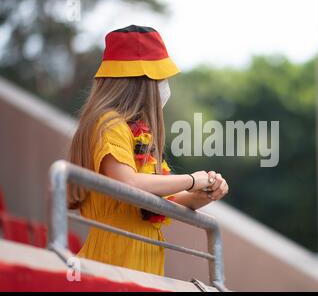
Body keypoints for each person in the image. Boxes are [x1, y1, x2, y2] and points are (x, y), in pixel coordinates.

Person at [67, 25, 229, 275]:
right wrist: (190, 180)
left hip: (145, 258)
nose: (165, 86)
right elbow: (128, 183)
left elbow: (163, 202)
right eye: (160, 78)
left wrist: (205, 191)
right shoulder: (108, 123)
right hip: (114, 257)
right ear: (140, 83)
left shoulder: (140, 133)